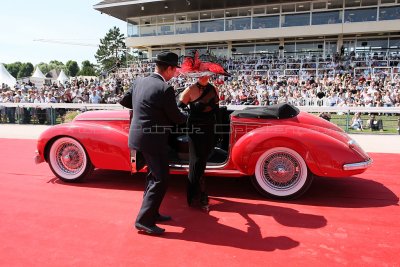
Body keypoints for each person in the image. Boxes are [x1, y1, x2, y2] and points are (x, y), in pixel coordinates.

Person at [120, 51, 187, 235]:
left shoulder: (139, 81)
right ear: (169, 68)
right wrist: (186, 116)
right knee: (161, 179)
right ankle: (144, 220)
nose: (175, 74)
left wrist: (144, 109)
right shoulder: (165, 88)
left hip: (138, 137)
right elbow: (177, 117)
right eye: (175, 70)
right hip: (153, 140)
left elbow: (125, 101)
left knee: (152, 176)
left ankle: (152, 213)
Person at [177, 51, 228, 212]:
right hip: (195, 130)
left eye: (206, 74)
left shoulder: (213, 90)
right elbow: (179, 109)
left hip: (209, 130)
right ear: (197, 75)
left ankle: (199, 194)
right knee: (196, 163)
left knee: (202, 163)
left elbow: (217, 112)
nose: (204, 77)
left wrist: (219, 132)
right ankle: (199, 196)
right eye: (201, 74)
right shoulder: (189, 90)